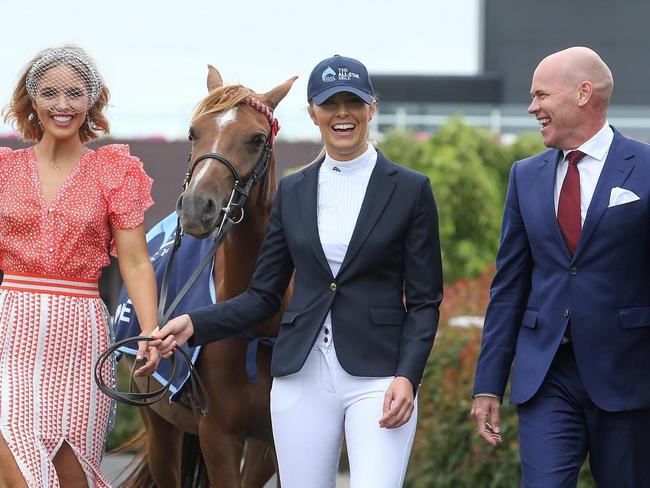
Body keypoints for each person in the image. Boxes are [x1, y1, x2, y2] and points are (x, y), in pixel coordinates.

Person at [153, 54, 443, 487]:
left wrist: (408, 376)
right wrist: (192, 323)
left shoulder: (411, 189)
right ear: (312, 113)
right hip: (300, 378)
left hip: (379, 377)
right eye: (329, 103)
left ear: (371, 108)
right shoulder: (293, 190)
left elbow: (424, 301)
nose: (342, 113)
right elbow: (263, 297)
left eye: (353, 102)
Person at [471, 46, 650, 487]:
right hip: (546, 375)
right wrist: (487, 384)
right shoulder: (524, 175)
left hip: (628, 376)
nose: (532, 107)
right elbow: (509, 286)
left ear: (583, 93)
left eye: (541, 95)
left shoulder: (646, 168)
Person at [0, 45, 160, 487]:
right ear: (32, 99)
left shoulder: (114, 172)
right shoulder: (3, 170)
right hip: (10, 331)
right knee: (23, 471)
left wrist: (149, 329)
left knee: (74, 478)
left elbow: (136, 262)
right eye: (49, 93)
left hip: (80, 335)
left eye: (75, 93)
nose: (62, 105)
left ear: (91, 100)